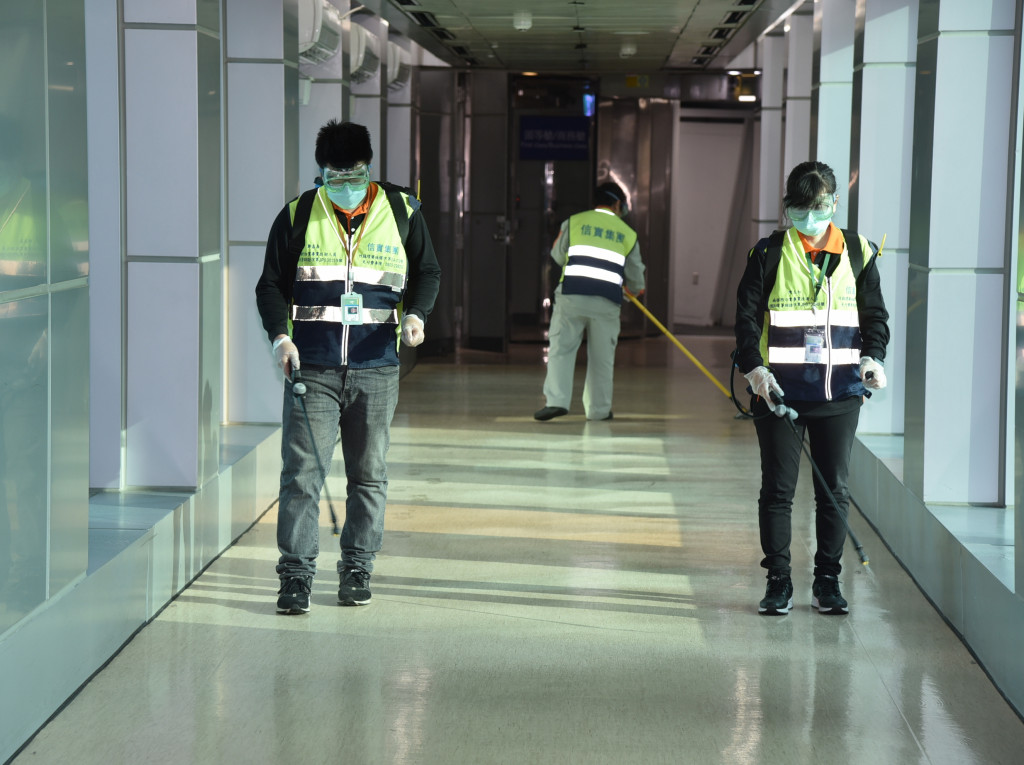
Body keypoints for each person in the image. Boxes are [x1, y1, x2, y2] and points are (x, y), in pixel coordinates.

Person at [256, 120, 441, 614]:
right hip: (311, 368)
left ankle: (357, 567)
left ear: (367, 169)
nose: (343, 185)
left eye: (352, 175)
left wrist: (417, 315)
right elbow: (270, 284)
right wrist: (280, 336)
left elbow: (427, 269)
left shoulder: (401, 211)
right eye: (333, 177)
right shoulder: (297, 215)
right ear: (321, 173)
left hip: (377, 367)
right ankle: (295, 577)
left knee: (369, 474)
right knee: (301, 476)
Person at [734, 160, 889, 616]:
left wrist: (873, 358)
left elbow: (874, 317)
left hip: (840, 394)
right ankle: (778, 581)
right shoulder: (768, 254)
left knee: (834, 490)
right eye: (799, 209)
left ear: (834, 203)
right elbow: (745, 320)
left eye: (819, 207)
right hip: (778, 395)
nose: (809, 218)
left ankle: (827, 579)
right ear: (788, 208)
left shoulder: (859, 253)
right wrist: (754, 370)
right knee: (778, 491)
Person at [534, 181, 645, 422]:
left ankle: (556, 402)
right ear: (616, 204)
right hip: (607, 303)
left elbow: (557, 255)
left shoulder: (574, 222)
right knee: (602, 358)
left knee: (561, 350)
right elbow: (637, 278)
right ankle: (598, 410)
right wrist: (633, 291)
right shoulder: (628, 233)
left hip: (572, 297)